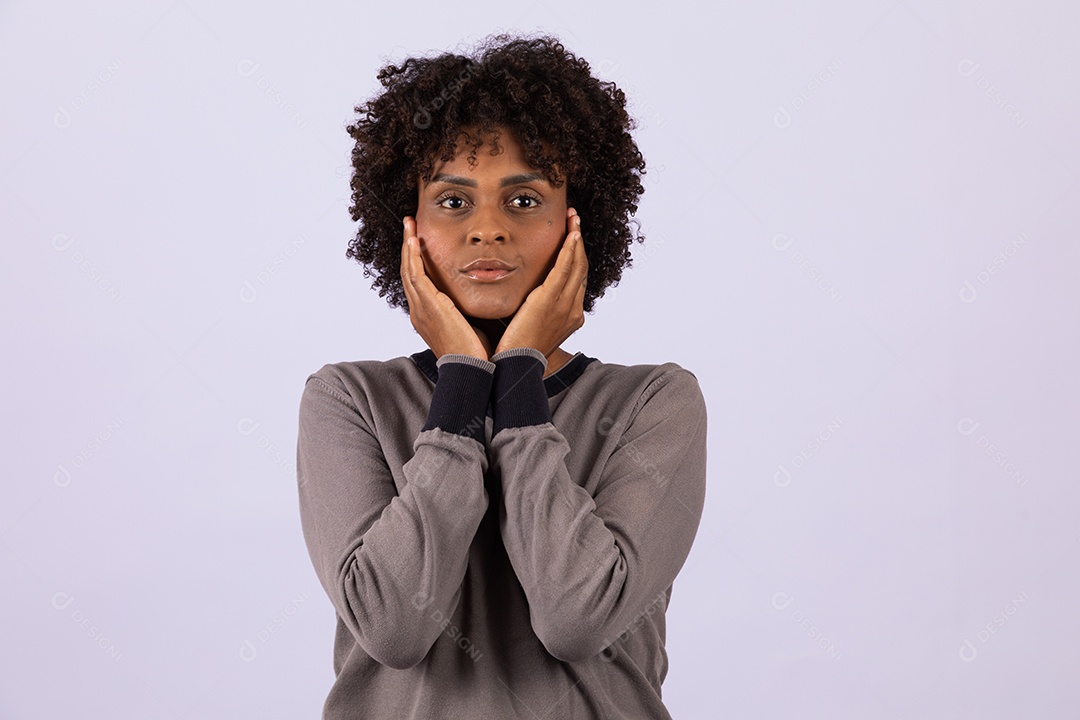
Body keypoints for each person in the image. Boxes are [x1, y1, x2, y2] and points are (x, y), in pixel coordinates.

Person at [296, 32, 708, 719]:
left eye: (523, 200)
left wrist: (516, 379)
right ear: (409, 227)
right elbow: (394, 628)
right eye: (454, 202)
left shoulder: (652, 403)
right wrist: (461, 383)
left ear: (580, 224)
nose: (488, 230)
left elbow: (575, 616)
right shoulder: (350, 400)